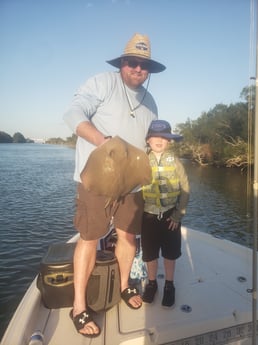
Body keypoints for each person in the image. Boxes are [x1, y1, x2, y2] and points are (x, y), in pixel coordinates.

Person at [63, 33, 165, 337]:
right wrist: (101, 141)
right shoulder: (102, 83)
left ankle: (123, 285)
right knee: (89, 237)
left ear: (150, 70)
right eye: (132, 62)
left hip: (131, 185)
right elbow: (72, 114)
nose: (137, 68)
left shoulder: (151, 103)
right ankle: (79, 306)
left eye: (144, 64)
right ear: (122, 63)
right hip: (97, 179)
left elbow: (150, 143)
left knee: (128, 237)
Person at [141, 119, 190, 307]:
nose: (159, 140)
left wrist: (178, 215)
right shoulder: (142, 160)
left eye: (164, 137)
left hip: (171, 216)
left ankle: (169, 285)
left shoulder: (176, 162)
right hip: (148, 216)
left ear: (169, 141)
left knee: (170, 254)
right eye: (155, 136)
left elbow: (185, 188)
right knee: (150, 254)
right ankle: (152, 283)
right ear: (148, 140)